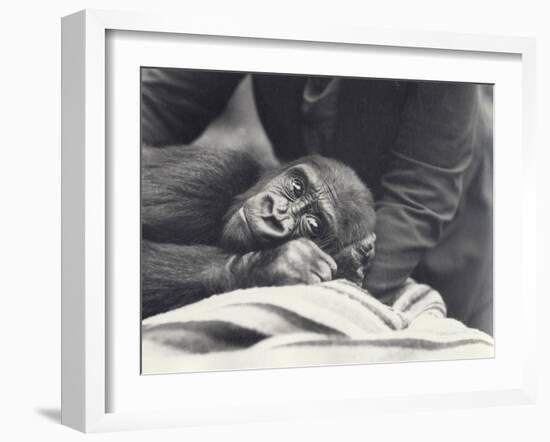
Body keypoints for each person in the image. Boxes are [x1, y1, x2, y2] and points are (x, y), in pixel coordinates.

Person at [141, 69, 493, 335]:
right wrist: (238, 272)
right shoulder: (218, 179)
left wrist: (339, 283)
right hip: (322, 192)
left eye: (309, 224)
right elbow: (163, 98)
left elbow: (421, 193)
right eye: (292, 189)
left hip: (447, 229)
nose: (276, 213)